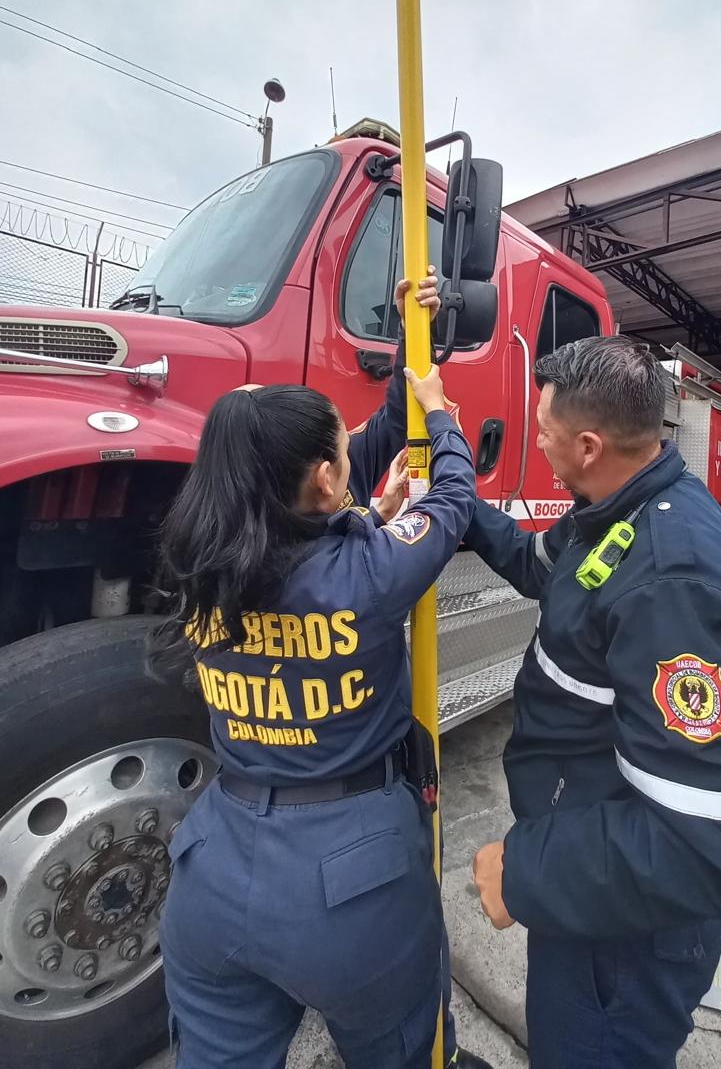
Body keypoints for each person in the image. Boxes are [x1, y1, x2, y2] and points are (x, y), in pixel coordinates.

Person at [153, 274, 489, 1069]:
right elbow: (453, 499)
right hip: (350, 889)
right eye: (344, 451)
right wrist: (440, 412)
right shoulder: (369, 571)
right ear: (325, 481)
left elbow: (300, 560)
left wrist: (411, 340)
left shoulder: (201, 569)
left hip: (211, 872)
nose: (353, 454)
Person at [467, 336, 721, 1069]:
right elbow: (535, 565)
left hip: (629, 936)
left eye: (543, 431)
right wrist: (456, 502)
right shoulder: (615, 511)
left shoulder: (676, 586)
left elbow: (702, 850)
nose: (535, 443)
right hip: (594, 883)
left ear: (587, 446)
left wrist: (525, 869)